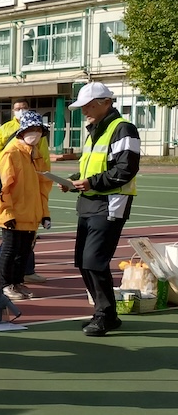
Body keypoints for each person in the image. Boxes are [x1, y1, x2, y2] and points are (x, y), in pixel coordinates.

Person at [65, 82, 140, 337]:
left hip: (110, 203)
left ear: (106, 103)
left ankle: (105, 314)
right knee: (83, 262)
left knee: (94, 260)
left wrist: (90, 183)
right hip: (89, 201)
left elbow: (125, 169)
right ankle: (105, 312)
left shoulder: (123, 129)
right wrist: (75, 180)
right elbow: (93, 167)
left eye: (88, 105)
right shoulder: (94, 129)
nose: (84, 110)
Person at [0, 111, 52, 307]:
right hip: (14, 213)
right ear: (22, 131)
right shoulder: (11, 153)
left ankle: (17, 283)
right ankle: (5, 285)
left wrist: (44, 214)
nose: (35, 134)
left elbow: (42, 187)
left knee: (24, 251)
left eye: (38, 130)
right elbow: (3, 187)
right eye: (31, 129)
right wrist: (7, 213)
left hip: (30, 213)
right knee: (10, 250)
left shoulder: (35, 155)